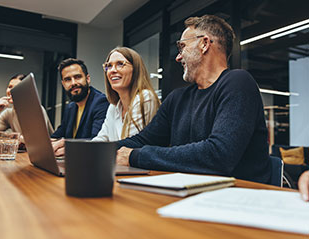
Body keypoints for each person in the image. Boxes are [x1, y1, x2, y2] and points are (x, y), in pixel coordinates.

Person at [116, 14, 271, 184]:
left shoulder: (238, 83)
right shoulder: (177, 98)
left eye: (182, 47)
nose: (178, 57)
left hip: (239, 198)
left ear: (204, 44)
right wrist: (99, 150)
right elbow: (142, 140)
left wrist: (136, 156)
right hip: (191, 192)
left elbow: (219, 155)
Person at [92, 47, 160, 142]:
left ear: (135, 69)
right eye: (109, 66)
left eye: (120, 64)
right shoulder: (114, 107)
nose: (112, 70)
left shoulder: (145, 98)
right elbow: (102, 138)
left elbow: (129, 145)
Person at [51, 58, 109, 156]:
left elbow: (96, 140)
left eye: (77, 77)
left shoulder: (101, 102)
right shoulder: (70, 107)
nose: (73, 83)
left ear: (87, 79)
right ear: (63, 84)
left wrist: (67, 147)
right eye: (67, 79)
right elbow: (57, 136)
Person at [0, 74, 54, 146]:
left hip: (49, 153)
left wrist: (13, 138)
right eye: (9, 87)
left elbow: (37, 141)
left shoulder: (37, 109)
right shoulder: (8, 113)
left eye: (16, 87)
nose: (10, 91)